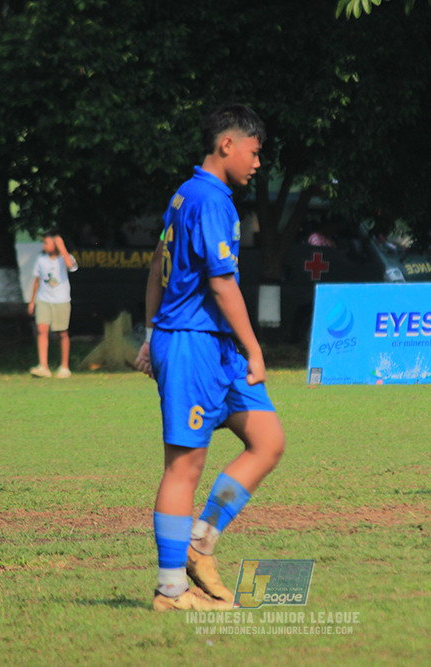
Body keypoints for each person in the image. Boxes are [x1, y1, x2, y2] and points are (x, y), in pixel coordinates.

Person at [134, 104, 285, 612]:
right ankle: (171, 590)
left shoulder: (187, 194)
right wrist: (255, 349)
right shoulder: (207, 199)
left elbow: (158, 262)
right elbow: (221, 284)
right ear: (227, 145)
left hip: (210, 345)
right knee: (184, 468)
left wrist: (151, 329)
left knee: (267, 441)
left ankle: (201, 544)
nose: (258, 163)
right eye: (254, 152)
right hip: (195, 343)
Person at [27, 228, 77, 378]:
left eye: (47, 243)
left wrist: (61, 246)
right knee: (42, 330)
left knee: (62, 333)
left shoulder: (65, 258)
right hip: (44, 299)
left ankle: (64, 367)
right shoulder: (41, 260)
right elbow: (37, 281)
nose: (44, 246)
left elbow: (71, 266)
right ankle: (43, 366)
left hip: (61, 300)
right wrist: (32, 301)